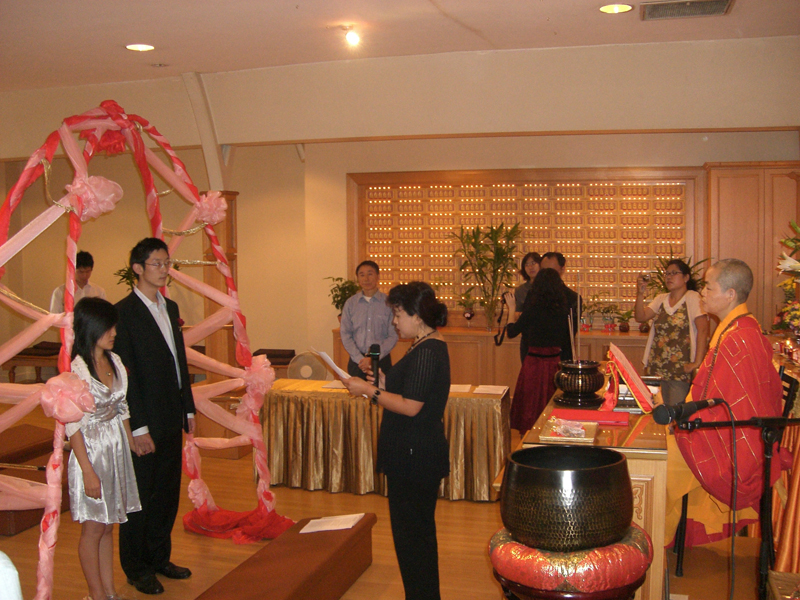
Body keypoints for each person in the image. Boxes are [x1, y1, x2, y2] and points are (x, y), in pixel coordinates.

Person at [665, 259, 791, 546]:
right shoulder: (738, 327)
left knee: (656, 463)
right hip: (725, 432)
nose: (703, 293)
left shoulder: (739, 338)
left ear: (730, 294)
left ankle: (651, 543)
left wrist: (685, 422)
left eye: (709, 287)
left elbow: (732, 405)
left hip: (736, 446)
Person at [342, 281, 449, 600]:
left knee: (413, 539)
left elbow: (412, 406)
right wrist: (384, 383)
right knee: (413, 537)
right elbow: (411, 390)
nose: (394, 321)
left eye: (399, 314)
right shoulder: (422, 343)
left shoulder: (429, 349)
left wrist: (369, 390)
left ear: (417, 315)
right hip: (411, 452)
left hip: (415, 455)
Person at [113, 238, 195, 595]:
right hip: (144, 418)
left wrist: (188, 407)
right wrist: (138, 427)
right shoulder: (123, 313)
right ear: (137, 268)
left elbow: (179, 361)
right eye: (156, 264)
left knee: (166, 492)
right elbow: (125, 376)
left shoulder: (170, 306)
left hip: (171, 413)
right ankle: (137, 568)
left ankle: (160, 557)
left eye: (166, 263)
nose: (164, 270)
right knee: (141, 496)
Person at [67, 297, 141, 600]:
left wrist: (130, 440)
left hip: (115, 448)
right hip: (92, 450)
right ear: (92, 327)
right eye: (108, 327)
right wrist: (87, 471)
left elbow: (121, 406)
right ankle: (95, 593)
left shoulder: (115, 361)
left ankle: (109, 591)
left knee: (110, 525)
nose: (114, 333)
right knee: (94, 527)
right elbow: (73, 425)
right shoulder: (77, 370)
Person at [503, 269, 573, 432]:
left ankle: (528, 439)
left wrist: (511, 308)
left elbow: (511, 332)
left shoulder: (533, 308)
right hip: (555, 364)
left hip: (534, 363)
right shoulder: (563, 310)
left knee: (529, 405)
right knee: (552, 404)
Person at [635, 259, 710, 406]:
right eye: (667, 274)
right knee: (657, 410)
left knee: (676, 411)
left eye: (674, 273)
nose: (669, 277)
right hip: (657, 367)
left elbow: (703, 331)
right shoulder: (661, 299)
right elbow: (640, 317)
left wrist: (697, 362)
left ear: (686, 277)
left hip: (680, 370)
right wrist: (640, 293)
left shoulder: (693, 298)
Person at [340, 260, 398, 380]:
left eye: (370, 274)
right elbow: (345, 334)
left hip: (382, 360)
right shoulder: (350, 304)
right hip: (357, 362)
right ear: (358, 279)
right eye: (362, 275)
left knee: (382, 391)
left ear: (378, 276)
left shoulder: (388, 303)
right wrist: (360, 359)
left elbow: (393, 335)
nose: (366, 278)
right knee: (356, 392)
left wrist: (374, 358)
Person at [539, 251, 581, 329]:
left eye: (551, 271)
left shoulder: (572, 298)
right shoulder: (534, 294)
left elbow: (571, 330)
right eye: (543, 270)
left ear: (562, 269)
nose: (546, 275)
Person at [513, 252, 541, 362]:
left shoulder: (547, 287)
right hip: (527, 338)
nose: (530, 267)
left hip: (545, 338)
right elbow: (517, 314)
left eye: (533, 263)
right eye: (527, 265)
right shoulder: (520, 290)